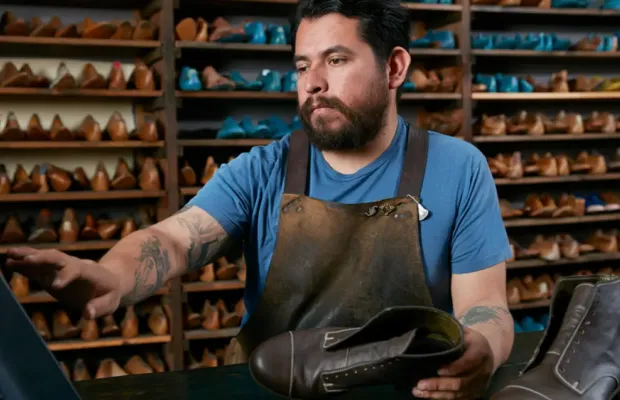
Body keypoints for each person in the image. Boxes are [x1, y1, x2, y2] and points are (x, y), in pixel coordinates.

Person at [6, 0, 514, 398]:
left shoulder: (457, 167)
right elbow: (174, 239)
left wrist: (482, 351)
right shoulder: (264, 168)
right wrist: (113, 277)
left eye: (336, 60)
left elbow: (485, 306)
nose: (313, 83)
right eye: (302, 66)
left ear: (395, 67)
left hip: (403, 392)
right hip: (272, 390)